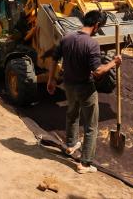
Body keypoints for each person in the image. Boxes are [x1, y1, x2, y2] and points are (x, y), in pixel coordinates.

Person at [47, 10, 122, 174]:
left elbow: (54, 58)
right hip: (85, 88)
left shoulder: (66, 37)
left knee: (72, 114)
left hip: (68, 85)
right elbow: (97, 72)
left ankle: (70, 145)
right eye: (100, 27)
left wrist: (51, 79)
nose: (99, 30)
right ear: (96, 26)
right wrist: (114, 63)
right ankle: (85, 164)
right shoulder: (91, 44)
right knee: (91, 126)